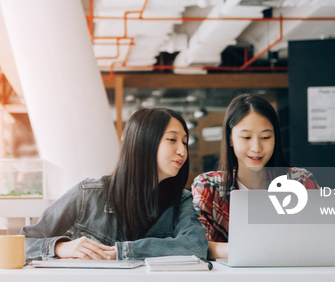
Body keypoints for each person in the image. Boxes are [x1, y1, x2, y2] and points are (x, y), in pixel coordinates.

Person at [21, 107, 208, 261]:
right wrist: (60, 247)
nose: (182, 151)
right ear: (144, 141)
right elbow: (22, 242)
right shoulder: (88, 194)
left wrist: (122, 252)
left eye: (185, 142)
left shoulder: (181, 200)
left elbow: (196, 245)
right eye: (172, 140)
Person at [191, 94, 318, 260]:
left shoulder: (299, 181)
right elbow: (197, 244)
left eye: (265, 137)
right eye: (246, 137)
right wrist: (254, 251)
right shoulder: (208, 186)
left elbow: (317, 241)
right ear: (230, 138)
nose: (256, 148)